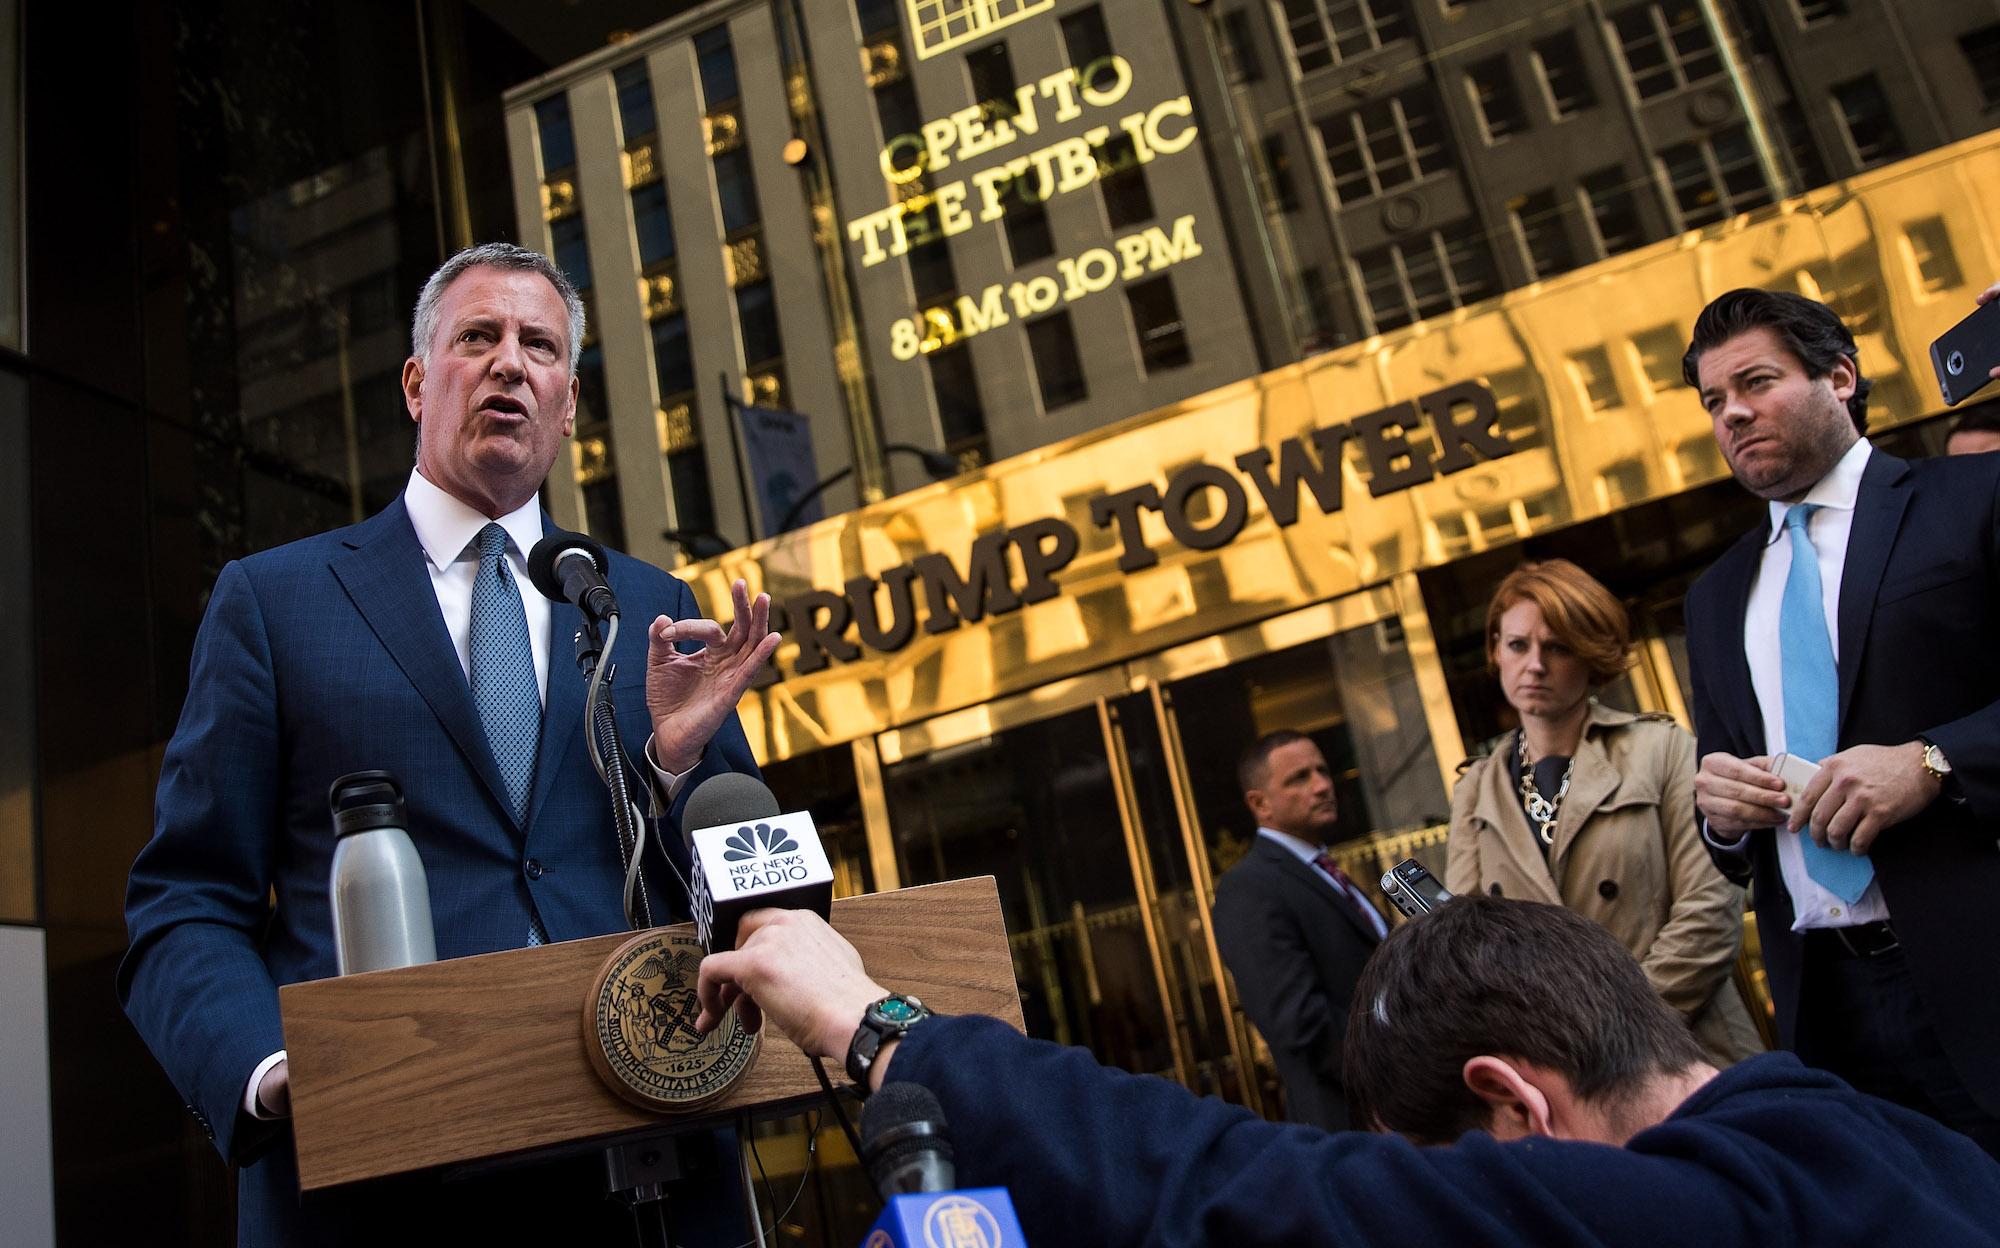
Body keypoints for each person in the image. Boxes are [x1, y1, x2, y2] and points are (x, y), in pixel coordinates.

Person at [118, 243, 779, 1245]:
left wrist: (676, 767)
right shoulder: (275, 602)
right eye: (479, 337)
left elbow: (746, 895)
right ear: (419, 380)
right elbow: (184, 903)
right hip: (382, 1186)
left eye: (540, 347)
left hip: (651, 1176)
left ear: (566, 405)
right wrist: (274, 1072)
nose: (510, 362)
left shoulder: (650, 608)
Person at [689, 897, 2000, 1248]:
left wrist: (871, 1022)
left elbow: (1240, 1191)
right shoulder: (1894, 1143)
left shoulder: (1706, 1215)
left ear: (1513, 1103)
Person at [1681, 287, 2000, 1158]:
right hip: (1829, 1011)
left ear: (1841, 377)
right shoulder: (1714, 599)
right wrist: (1719, 809)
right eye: (1714, 401)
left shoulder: (1972, 497)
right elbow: (1723, 823)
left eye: (1756, 381)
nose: (1733, 413)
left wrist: (1934, 763)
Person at [1444, 559, 1760, 1066]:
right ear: (1496, 653)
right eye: (1518, 645)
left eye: (1558, 647)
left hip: (1681, 1049)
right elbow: (1466, 946)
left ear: (1593, 655)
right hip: (1560, 1070)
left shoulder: (1662, 749)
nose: (1535, 665)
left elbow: (1708, 916)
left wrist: (1609, 1034)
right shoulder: (1476, 788)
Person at [1210, 731, 1386, 1129]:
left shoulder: (1323, 871)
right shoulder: (1249, 888)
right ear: (1259, 803)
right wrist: (1406, 1069)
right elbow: (1299, 1025)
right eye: (1299, 778)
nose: (1323, 785)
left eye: (1322, 771)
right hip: (1352, 1124)